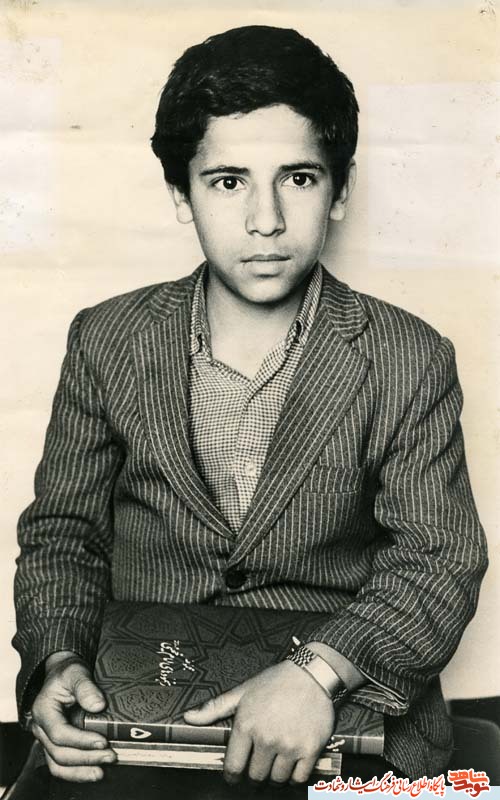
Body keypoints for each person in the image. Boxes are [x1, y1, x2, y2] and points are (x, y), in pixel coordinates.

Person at [13, 24, 487, 791]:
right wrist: (57, 657)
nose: (265, 219)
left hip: (343, 708)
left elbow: (440, 557)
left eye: (297, 178)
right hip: (141, 711)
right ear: (181, 192)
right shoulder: (107, 338)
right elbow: (64, 534)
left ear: (340, 190)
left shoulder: (409, 355)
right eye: (228, 181)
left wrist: (317, 674)